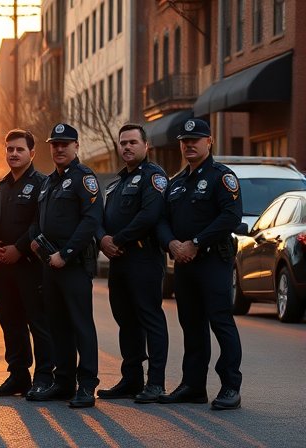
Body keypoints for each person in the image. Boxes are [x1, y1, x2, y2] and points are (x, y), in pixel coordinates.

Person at [157, 118, 243, 410]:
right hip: (184, 263)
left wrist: (196, 242)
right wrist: (172, 244)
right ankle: (193, 386)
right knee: (191, 324)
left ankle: (230, 387)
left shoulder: (222, 177)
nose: (189, 145)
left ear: (209, 141)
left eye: (195, 139)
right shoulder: (176, 183)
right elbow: (162, 220)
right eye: (184, 140)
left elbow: (231, 216)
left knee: (221, 322)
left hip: (212, 260)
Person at [28, 123, 103, 408]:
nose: (59, 149)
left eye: (65, 144)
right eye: (55, 144)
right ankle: (63, 382)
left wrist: (66, 253)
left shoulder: (84, 178)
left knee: (81, 325)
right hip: (50, 264)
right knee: (57, 325)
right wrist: (35, 240)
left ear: (76, 147)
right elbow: (38, 218)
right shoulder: (49, 182)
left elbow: (91, 219)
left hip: (73, 264)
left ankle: (87, 385)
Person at [96, 123, 169, 403]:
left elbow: (149, 215)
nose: (126, 147)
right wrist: (103, 239)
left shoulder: (154, 176)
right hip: (119, 260)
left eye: (132, 142)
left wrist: (117, 240)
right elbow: (102, 218)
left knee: (150, 318)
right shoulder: (117, 182)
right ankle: (131, 378)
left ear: (145, 146)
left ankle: (156, 382)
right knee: (125, 319)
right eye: (123, 142)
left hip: (143, 257)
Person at [0, 129, 54, 399]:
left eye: (20, 149)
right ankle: (18, 375)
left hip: (30, 265)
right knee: (10, 322)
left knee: (38, 322)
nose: (14, 154)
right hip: (1, 268)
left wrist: (19, 248)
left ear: (32, 153)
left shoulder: (42, 184)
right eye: (10, 149)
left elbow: (41, 222)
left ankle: (44, 377)